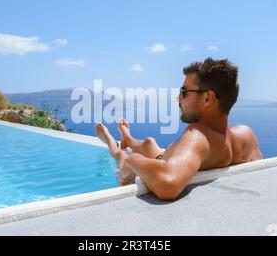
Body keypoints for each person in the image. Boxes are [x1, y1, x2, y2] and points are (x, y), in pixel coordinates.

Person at [95, 57, 263, 201]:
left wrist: (132, 161)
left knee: (121, 155)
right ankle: (127, 136)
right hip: (168, 156)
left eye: (184, 92)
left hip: (164, 159)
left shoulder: (198, 135)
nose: (178, 98)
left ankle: (111, 140)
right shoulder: (246, 134)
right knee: (149, 143)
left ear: (207, 98)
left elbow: (167, 183)